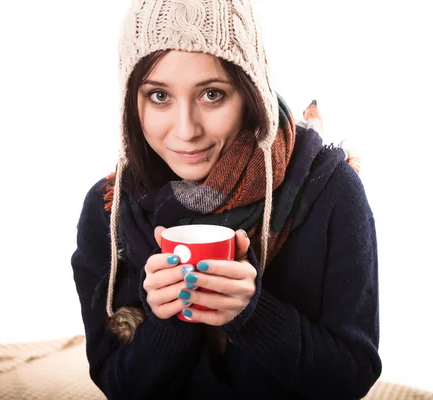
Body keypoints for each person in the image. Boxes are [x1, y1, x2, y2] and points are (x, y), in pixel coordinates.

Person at [71, 0, 381, 398]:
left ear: (251, 94)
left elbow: (352, 377)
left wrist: (251, 315)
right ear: (133, 102)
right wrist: (168, 321)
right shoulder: (110, 210)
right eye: (159, 96)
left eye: (212, 94)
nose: (186, 131)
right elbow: (117, 385)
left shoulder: (327, 187)